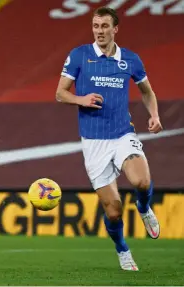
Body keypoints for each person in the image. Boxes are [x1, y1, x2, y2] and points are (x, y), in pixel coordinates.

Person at [55, 7, 162, 271]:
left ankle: (144, 207)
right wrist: (81, 99)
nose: (99, 31)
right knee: (113, 211)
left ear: (115, 29)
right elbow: (60, 93)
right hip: (94, 142)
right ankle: (122, 250)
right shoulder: (80, 55)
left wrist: (155, 115)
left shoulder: (131, 60)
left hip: (122, 133)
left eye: (104, 26)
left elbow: (147, 92)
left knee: (141, 180)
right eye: (95, 26)